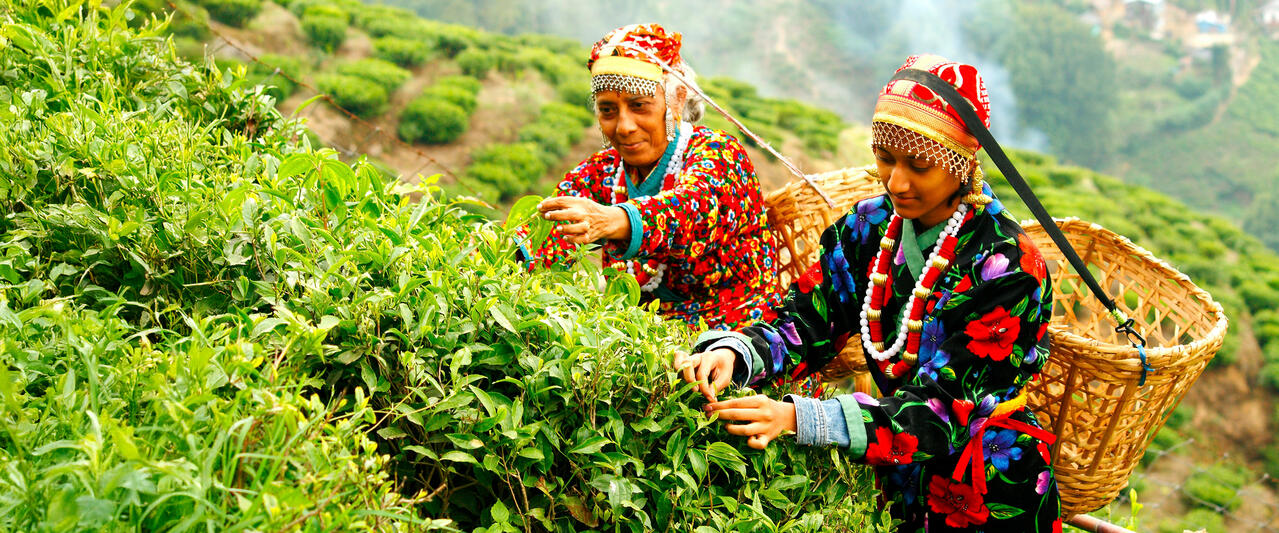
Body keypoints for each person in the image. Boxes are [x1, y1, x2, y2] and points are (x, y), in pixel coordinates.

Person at [676, 55, 1062, 531]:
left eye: (918, 166)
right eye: (885, 159)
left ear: (961, 164)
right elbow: (810, 319)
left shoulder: (1008, 267)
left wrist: (800, 418)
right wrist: (738, 353)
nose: (896, 182)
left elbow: (942, 407)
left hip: (988, 486)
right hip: (894, 472)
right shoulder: (868, 227)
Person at [525, 23, 783, 331]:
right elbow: (540, 236)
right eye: (608, 111)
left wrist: (613, 221)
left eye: (639, 107)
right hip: (642, 344)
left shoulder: (720, 154)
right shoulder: (603, 171)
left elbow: (691, 209)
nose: (624, 126)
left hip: (739, 342)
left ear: (675, 101)